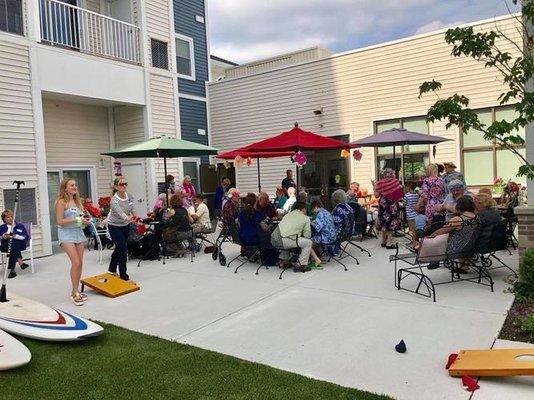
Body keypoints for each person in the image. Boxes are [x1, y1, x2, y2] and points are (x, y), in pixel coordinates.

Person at [54, 177, 91, 306]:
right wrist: (76, 219)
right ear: (65, 188)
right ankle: (75, 292)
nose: (74, 187)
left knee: (80, 263)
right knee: (75, 262)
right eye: (71, 185)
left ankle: (75, 290)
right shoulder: (61, 202)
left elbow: (78, 220)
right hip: (66, 234)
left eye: (75, 185)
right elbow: (59, 221)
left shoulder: (77, 202)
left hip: (78, 233)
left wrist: (83, 221)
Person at [427, 195, 479, 272]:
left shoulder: (458, 219)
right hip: (473, 246)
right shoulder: (477, 218)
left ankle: (434, 260)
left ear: (459, 206)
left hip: (458, 248)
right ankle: (463, 266)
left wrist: (429, 238)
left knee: (440, 237)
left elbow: (440, 232)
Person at [107, 176, 137, 282]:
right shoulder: (114, 200)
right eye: (121, 184)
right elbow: (121, 213)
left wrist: (136, 217)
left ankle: (111, 269)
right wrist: (129, 218)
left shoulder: (129, 196)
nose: (124, 186)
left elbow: (132, 208)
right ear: (116, 186)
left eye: (125, 184)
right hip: (114, 226)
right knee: (123, 250)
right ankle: (124, 276)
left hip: (125, 226)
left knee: (120, 247)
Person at [270, 202, 312, 272]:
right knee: (308, 243)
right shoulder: (306, 218)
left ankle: (284, 261)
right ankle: (300, 265)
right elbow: (307, 235)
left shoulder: (287, 215)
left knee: (288, 237)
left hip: (273, 239)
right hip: (283, 242)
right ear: (303, 209)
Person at [374, 169, 403, 249]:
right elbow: (399, 196)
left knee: (383, 221)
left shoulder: (380, 183)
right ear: (392, 174)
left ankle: (383, 241)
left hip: (383, 203)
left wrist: (374, 186)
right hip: (391, 204)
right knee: (391, 222)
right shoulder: (395, 182)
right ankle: (389, 243)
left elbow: (376, 195)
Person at [0, 210, 29, 279]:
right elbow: (1, 236)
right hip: (5, 245)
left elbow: (26, 237)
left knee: (12, 243)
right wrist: (3, 236)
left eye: (12, 216)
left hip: (20, 245)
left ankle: (12, 270)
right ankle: (20, 261)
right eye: (8, 217)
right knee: (11, 243)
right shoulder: (1, 227)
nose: (11, 218)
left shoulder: (20, 226)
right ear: (4, 219)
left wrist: (15, 236)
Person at [404, 182, 419, 246]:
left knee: (411, 230)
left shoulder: (406, 195)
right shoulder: (417, 195)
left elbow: (404, 204)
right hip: (416, 214)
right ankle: (416, 241)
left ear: (409, 187)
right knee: (415, 229)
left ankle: (413, 242)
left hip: (409, 215)